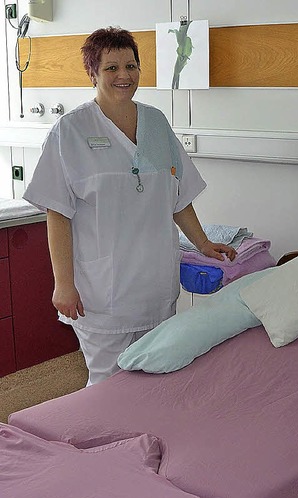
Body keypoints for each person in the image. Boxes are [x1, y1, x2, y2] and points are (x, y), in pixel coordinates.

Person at [24, 27, 235, 386]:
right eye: (111, 68)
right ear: (93, 73)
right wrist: (63, 284)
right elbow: (57, 213)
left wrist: (202, 243)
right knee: (108, 384)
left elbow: (177, 196)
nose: (124, 75)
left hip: (155, 285)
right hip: (104, 291)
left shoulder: (155, 124)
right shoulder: (70, 132)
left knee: (157, 375)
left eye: (131, 65)